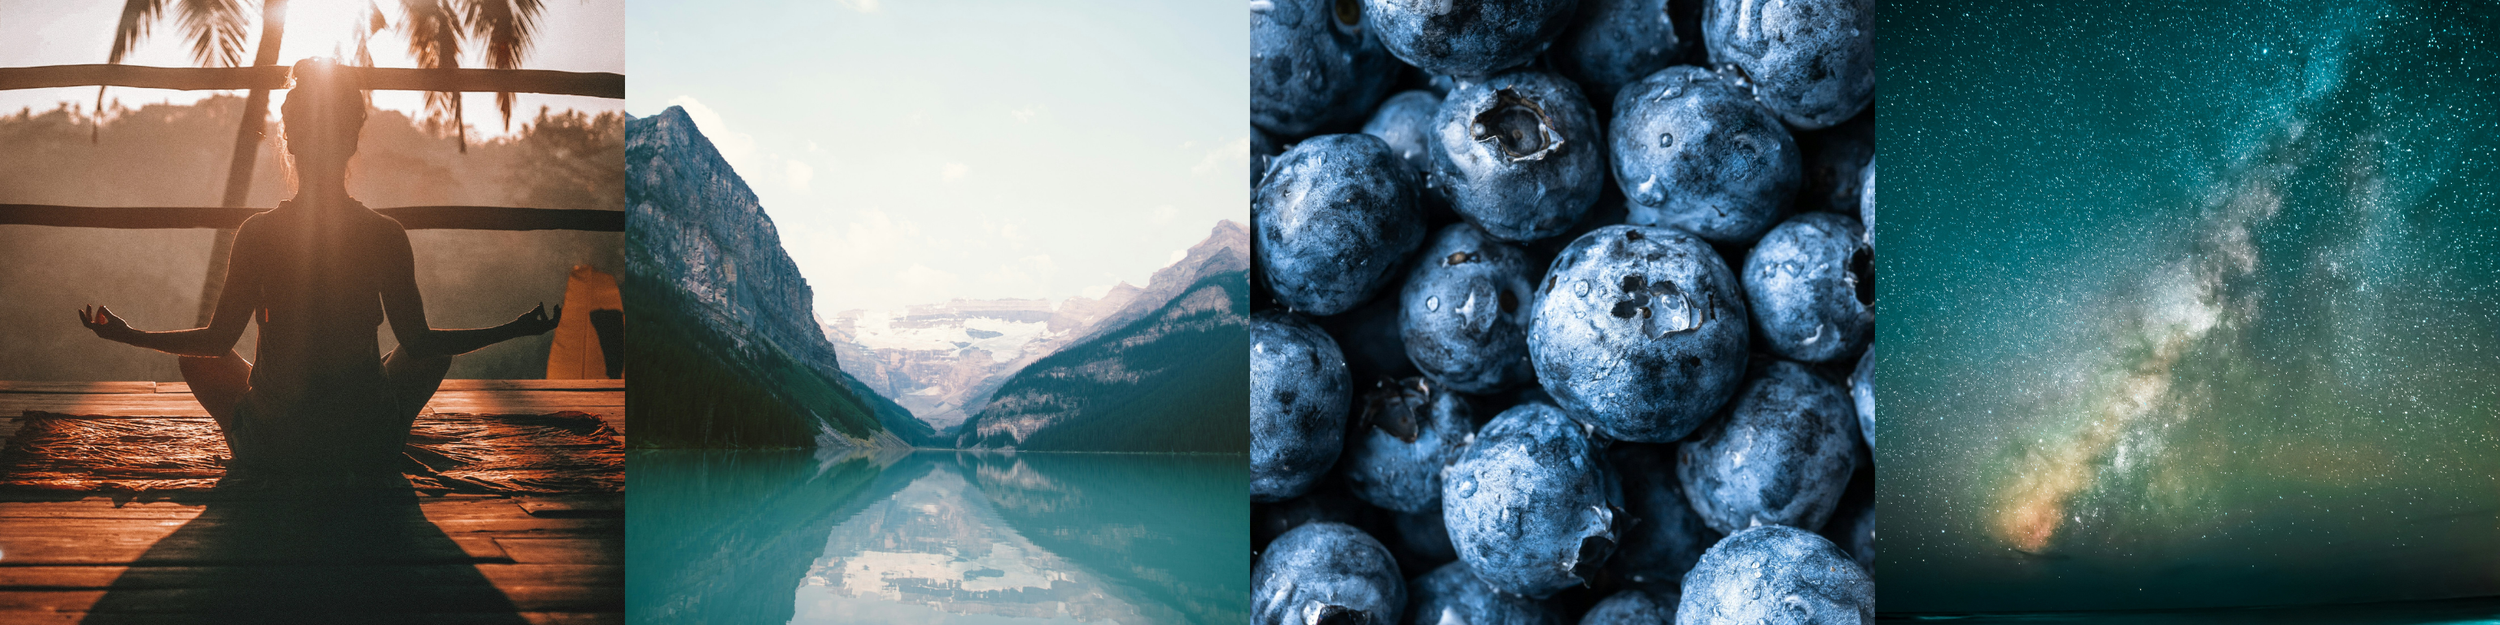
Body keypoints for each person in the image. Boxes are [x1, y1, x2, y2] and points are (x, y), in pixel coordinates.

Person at [77, 58, 558, 486]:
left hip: (275, 450)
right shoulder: (385, 234)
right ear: (352, 141)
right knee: (428, 354)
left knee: (196, 359)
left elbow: (215, 342)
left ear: (289, 140)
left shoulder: (259, 233)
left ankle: (264, 441)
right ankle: (374, 435)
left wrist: (130, 334)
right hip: (366, 447)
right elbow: (421, 344)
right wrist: (512, 329)